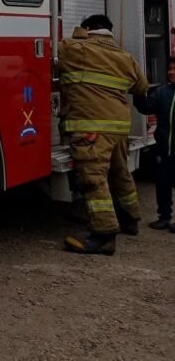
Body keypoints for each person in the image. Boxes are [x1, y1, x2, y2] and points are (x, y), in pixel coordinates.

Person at [58, 13, 148, 255]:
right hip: (118, 128)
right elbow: (141, 87)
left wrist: (80, 33)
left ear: (88, 29)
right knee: (120, 173)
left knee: (93, 179)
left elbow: (57, 51)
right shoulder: (125, 57)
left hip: (91, 129)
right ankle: (130, 220)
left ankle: (104, 235)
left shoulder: (76, 48)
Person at [134, 55, 175, 233]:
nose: (171, 72)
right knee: (162, 183)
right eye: (170, 69)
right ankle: (164, 217)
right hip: (164, 149)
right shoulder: (162, 92)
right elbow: (146, 107)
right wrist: (138, 92)